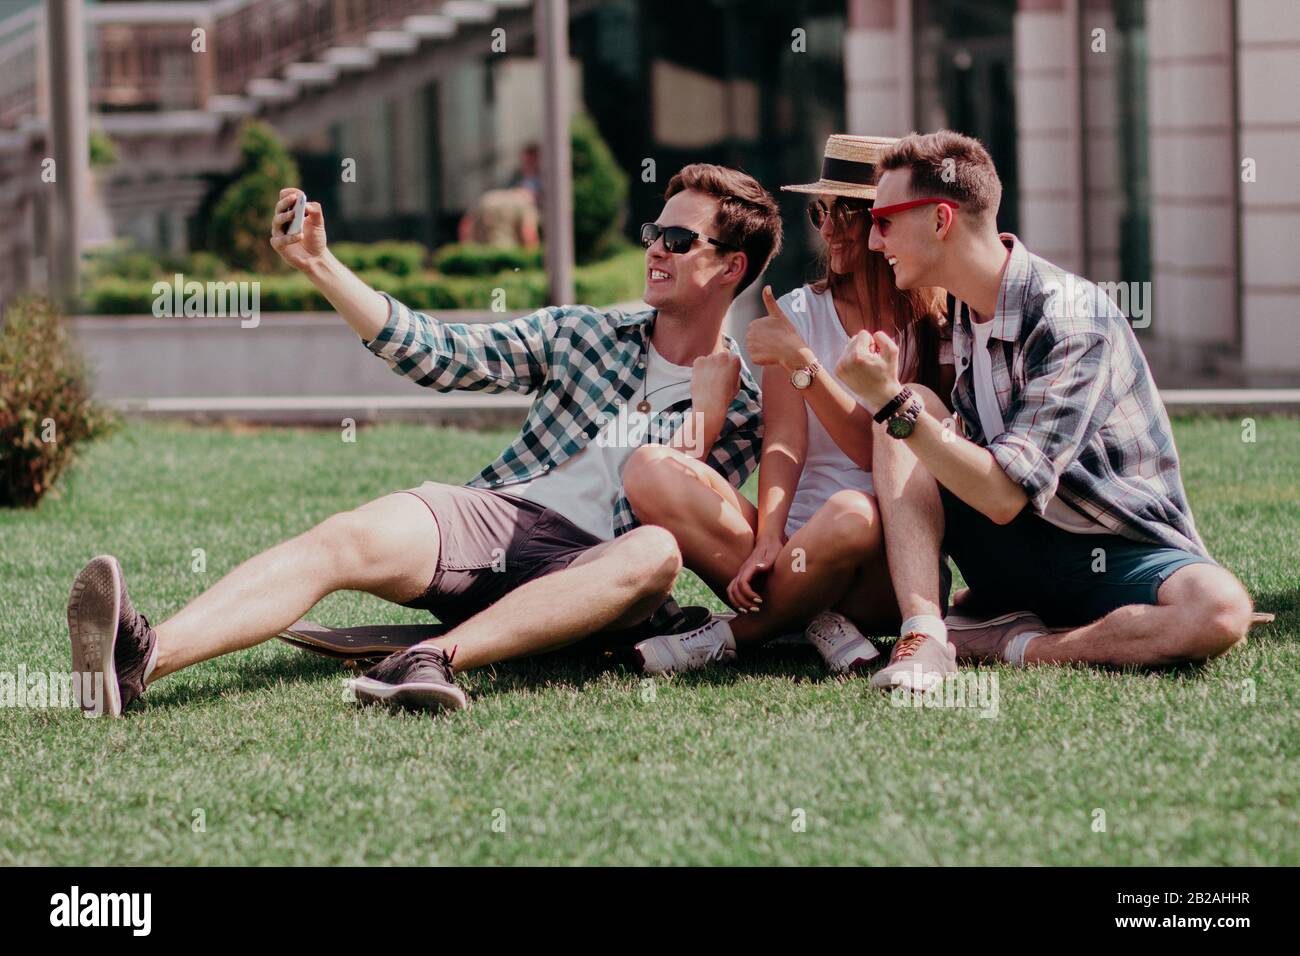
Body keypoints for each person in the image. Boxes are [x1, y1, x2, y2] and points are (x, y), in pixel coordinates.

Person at [64, 163, 782, 717]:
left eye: (679, 240)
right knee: (343, 537)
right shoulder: (586, 333)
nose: (655, 249)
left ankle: (431, 657)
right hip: (499, 518)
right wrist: (319, 263)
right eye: (652, 233)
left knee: (655, 553)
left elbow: (700, 509)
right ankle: (142, 660)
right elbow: (442, 353)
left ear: (730, 267)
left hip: (596, 572)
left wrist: (713, 410)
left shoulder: (750, 406)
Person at [830, 129, 1252, 691]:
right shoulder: (957, 312)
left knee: (1220, 610)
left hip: (1114, 549)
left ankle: (1016, 641)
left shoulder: (1070, 319)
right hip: (1016, 549)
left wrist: (886, 400)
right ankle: (927, 634)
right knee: (914, 408)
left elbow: (1006, 495)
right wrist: (894, 405)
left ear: (940, 220)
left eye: (883, 222)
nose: (874, 243)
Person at [624, 135, 954, 678]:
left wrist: (803, 364)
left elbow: (879, 450)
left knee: (853, 512)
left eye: (848, 211)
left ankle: (738, 633)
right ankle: (816, 616)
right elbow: (783, 442)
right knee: (648, 467)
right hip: (797, 554)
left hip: (884, 562)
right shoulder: (798, 310)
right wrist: (771, 537)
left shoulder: (932, 322)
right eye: (820, 210)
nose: (828, 227)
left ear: (885, 220)